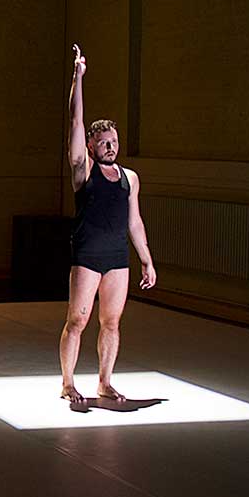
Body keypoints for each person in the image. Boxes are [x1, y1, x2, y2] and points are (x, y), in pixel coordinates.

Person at [61, 43, 155, 409]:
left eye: (113, 142)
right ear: (91, 146)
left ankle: (104, 382)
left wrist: (146, 260)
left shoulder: (130, 177)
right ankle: (68, 383)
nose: (110, 147)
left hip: (117, 257)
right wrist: (78, 76)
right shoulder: (83, 170)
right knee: (77, 321)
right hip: (87, 255)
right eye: (103, 143)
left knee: (111, 323)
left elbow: (135, 221)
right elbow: (75, 121)